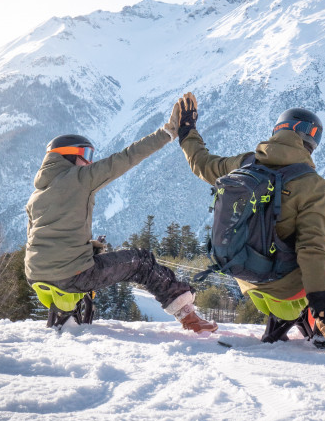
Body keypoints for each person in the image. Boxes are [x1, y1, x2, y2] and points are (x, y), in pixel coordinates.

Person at [177, 93, 325, 355]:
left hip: (247, 278)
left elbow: (201, 163)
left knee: (321, 246)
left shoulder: (244, 164)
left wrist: (187, 130)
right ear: (311, 141)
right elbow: (310, 250)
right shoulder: (310, 183)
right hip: (286, 289)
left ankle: (316, 317)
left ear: (278, 131)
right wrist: (324, 311)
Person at [25, 101, 217, 334]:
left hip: (35, 273)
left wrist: (85, 248)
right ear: (67, 156)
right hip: (70, 273)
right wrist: (167, 133)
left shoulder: (37, 195)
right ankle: (189, 316)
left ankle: (65, 318)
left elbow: (42, 238)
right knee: (141, 262)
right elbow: (126, 157)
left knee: (85, 265)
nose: (90, 161)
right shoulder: (80, 177)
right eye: (86, 154)